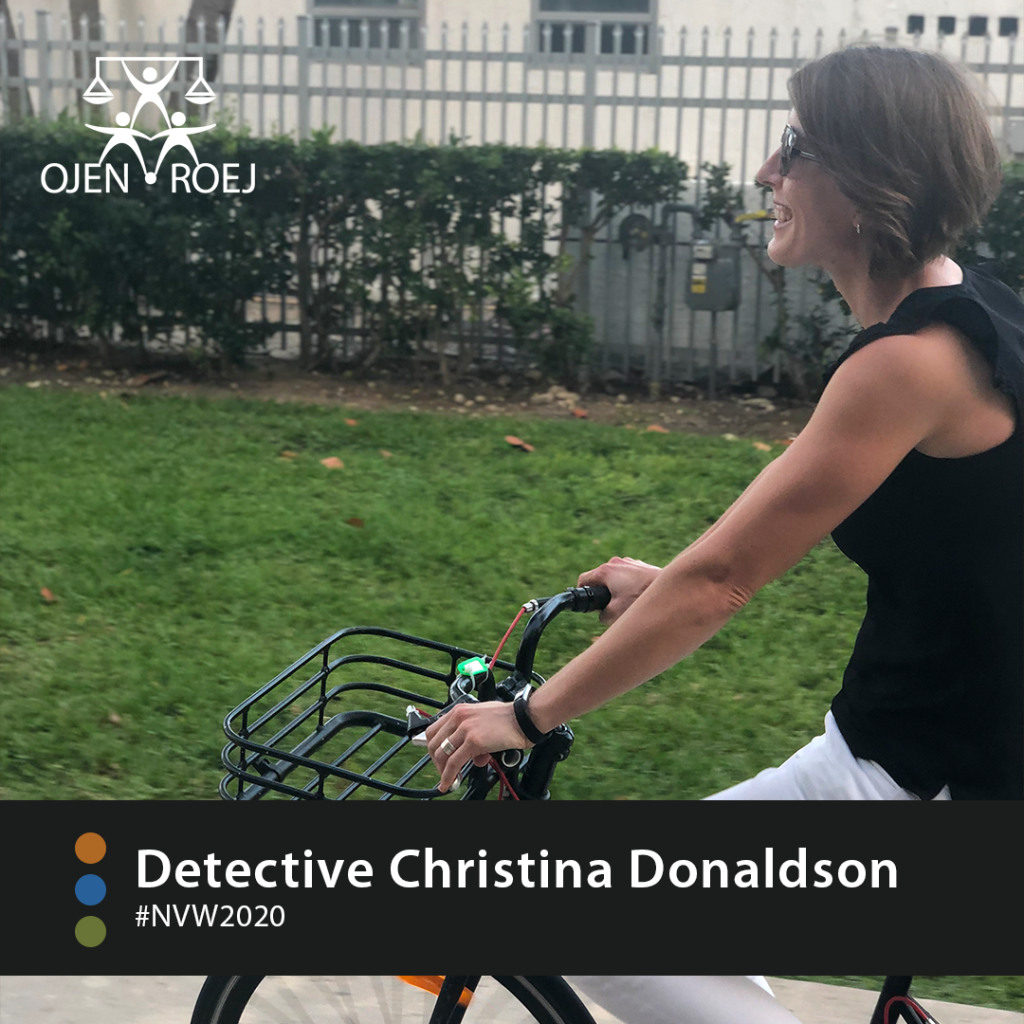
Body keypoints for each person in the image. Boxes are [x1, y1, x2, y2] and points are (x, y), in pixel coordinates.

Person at [426, 45, 1023, 800]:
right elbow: (891, 534)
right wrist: (670, 585)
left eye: (796, 148)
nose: (768, 171)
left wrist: (524, 717)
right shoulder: (981, 305)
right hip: (925, 736)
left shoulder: (907, 364)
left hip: (929, 769)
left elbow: (721, 581)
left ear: (871, 180)